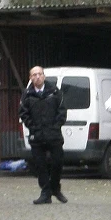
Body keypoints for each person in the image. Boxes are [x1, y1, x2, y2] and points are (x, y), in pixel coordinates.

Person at [20, 66, 68, 204]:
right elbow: (23, 113)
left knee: (57, 162)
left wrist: (56, 125)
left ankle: (55, 188)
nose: (37, 77)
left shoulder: (54, 91)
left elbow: (62, 110)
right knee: (40, 165)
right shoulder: (27, 94)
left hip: (54, 134)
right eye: (34, 75)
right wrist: (32, 127)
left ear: (44, 76)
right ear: (30, 78)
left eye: (39, 74)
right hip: (37, 136)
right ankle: (45, 192)